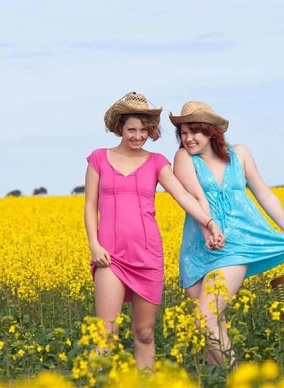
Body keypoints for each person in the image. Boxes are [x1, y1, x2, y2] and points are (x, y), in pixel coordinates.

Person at [83, 92, 225, 370]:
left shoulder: (157, 162)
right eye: (131, 130)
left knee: (145, 333)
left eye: (143, 131)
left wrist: (208, 222)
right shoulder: (98, 159)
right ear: (120, 128)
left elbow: (183, 196)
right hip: (110, 257)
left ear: (151, 130)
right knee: (105, 336)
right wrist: (94, 245)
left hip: (148, 257)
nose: (137, 136)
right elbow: (89, 206)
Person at [169, 100, 284, 369]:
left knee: (205, 318)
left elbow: (264, 194)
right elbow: (193, 198)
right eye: (183, 133)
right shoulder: (183, 159)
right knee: (210, 326)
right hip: (200, 247)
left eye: (194, 132)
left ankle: (236, 379)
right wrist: (209, 231)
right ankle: (216, 380)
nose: (188, 138)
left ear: (211, 131)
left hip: (237, 244)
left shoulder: (241, 154)